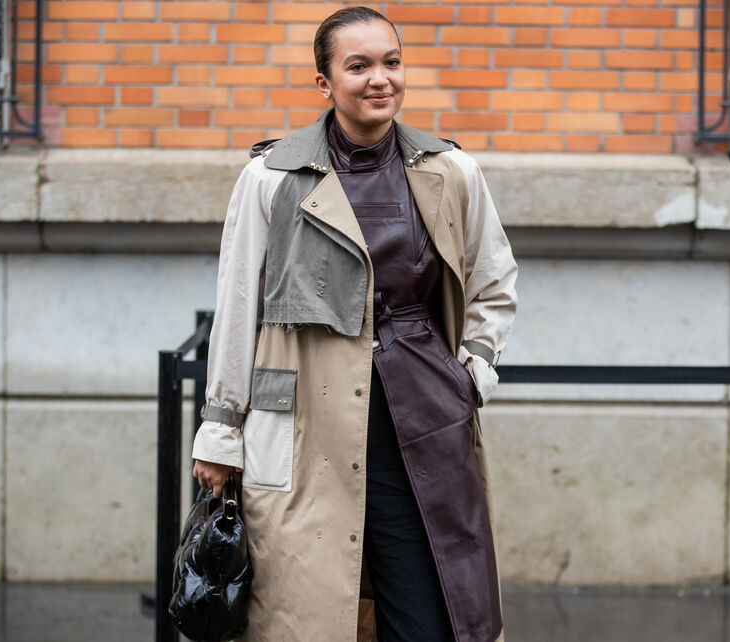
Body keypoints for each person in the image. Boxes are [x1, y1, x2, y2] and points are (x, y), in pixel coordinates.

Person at [191, 7, 517, 641]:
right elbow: (237, 306)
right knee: (308, 613)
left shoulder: (450, 170)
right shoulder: (271, 177)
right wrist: (221, 427)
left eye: (391, 62)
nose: (380, 79)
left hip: (421, 414)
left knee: (429, 614)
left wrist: (473, 371)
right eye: (359, 66)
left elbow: (493, 279)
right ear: (325, 82)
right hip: (304, 421)